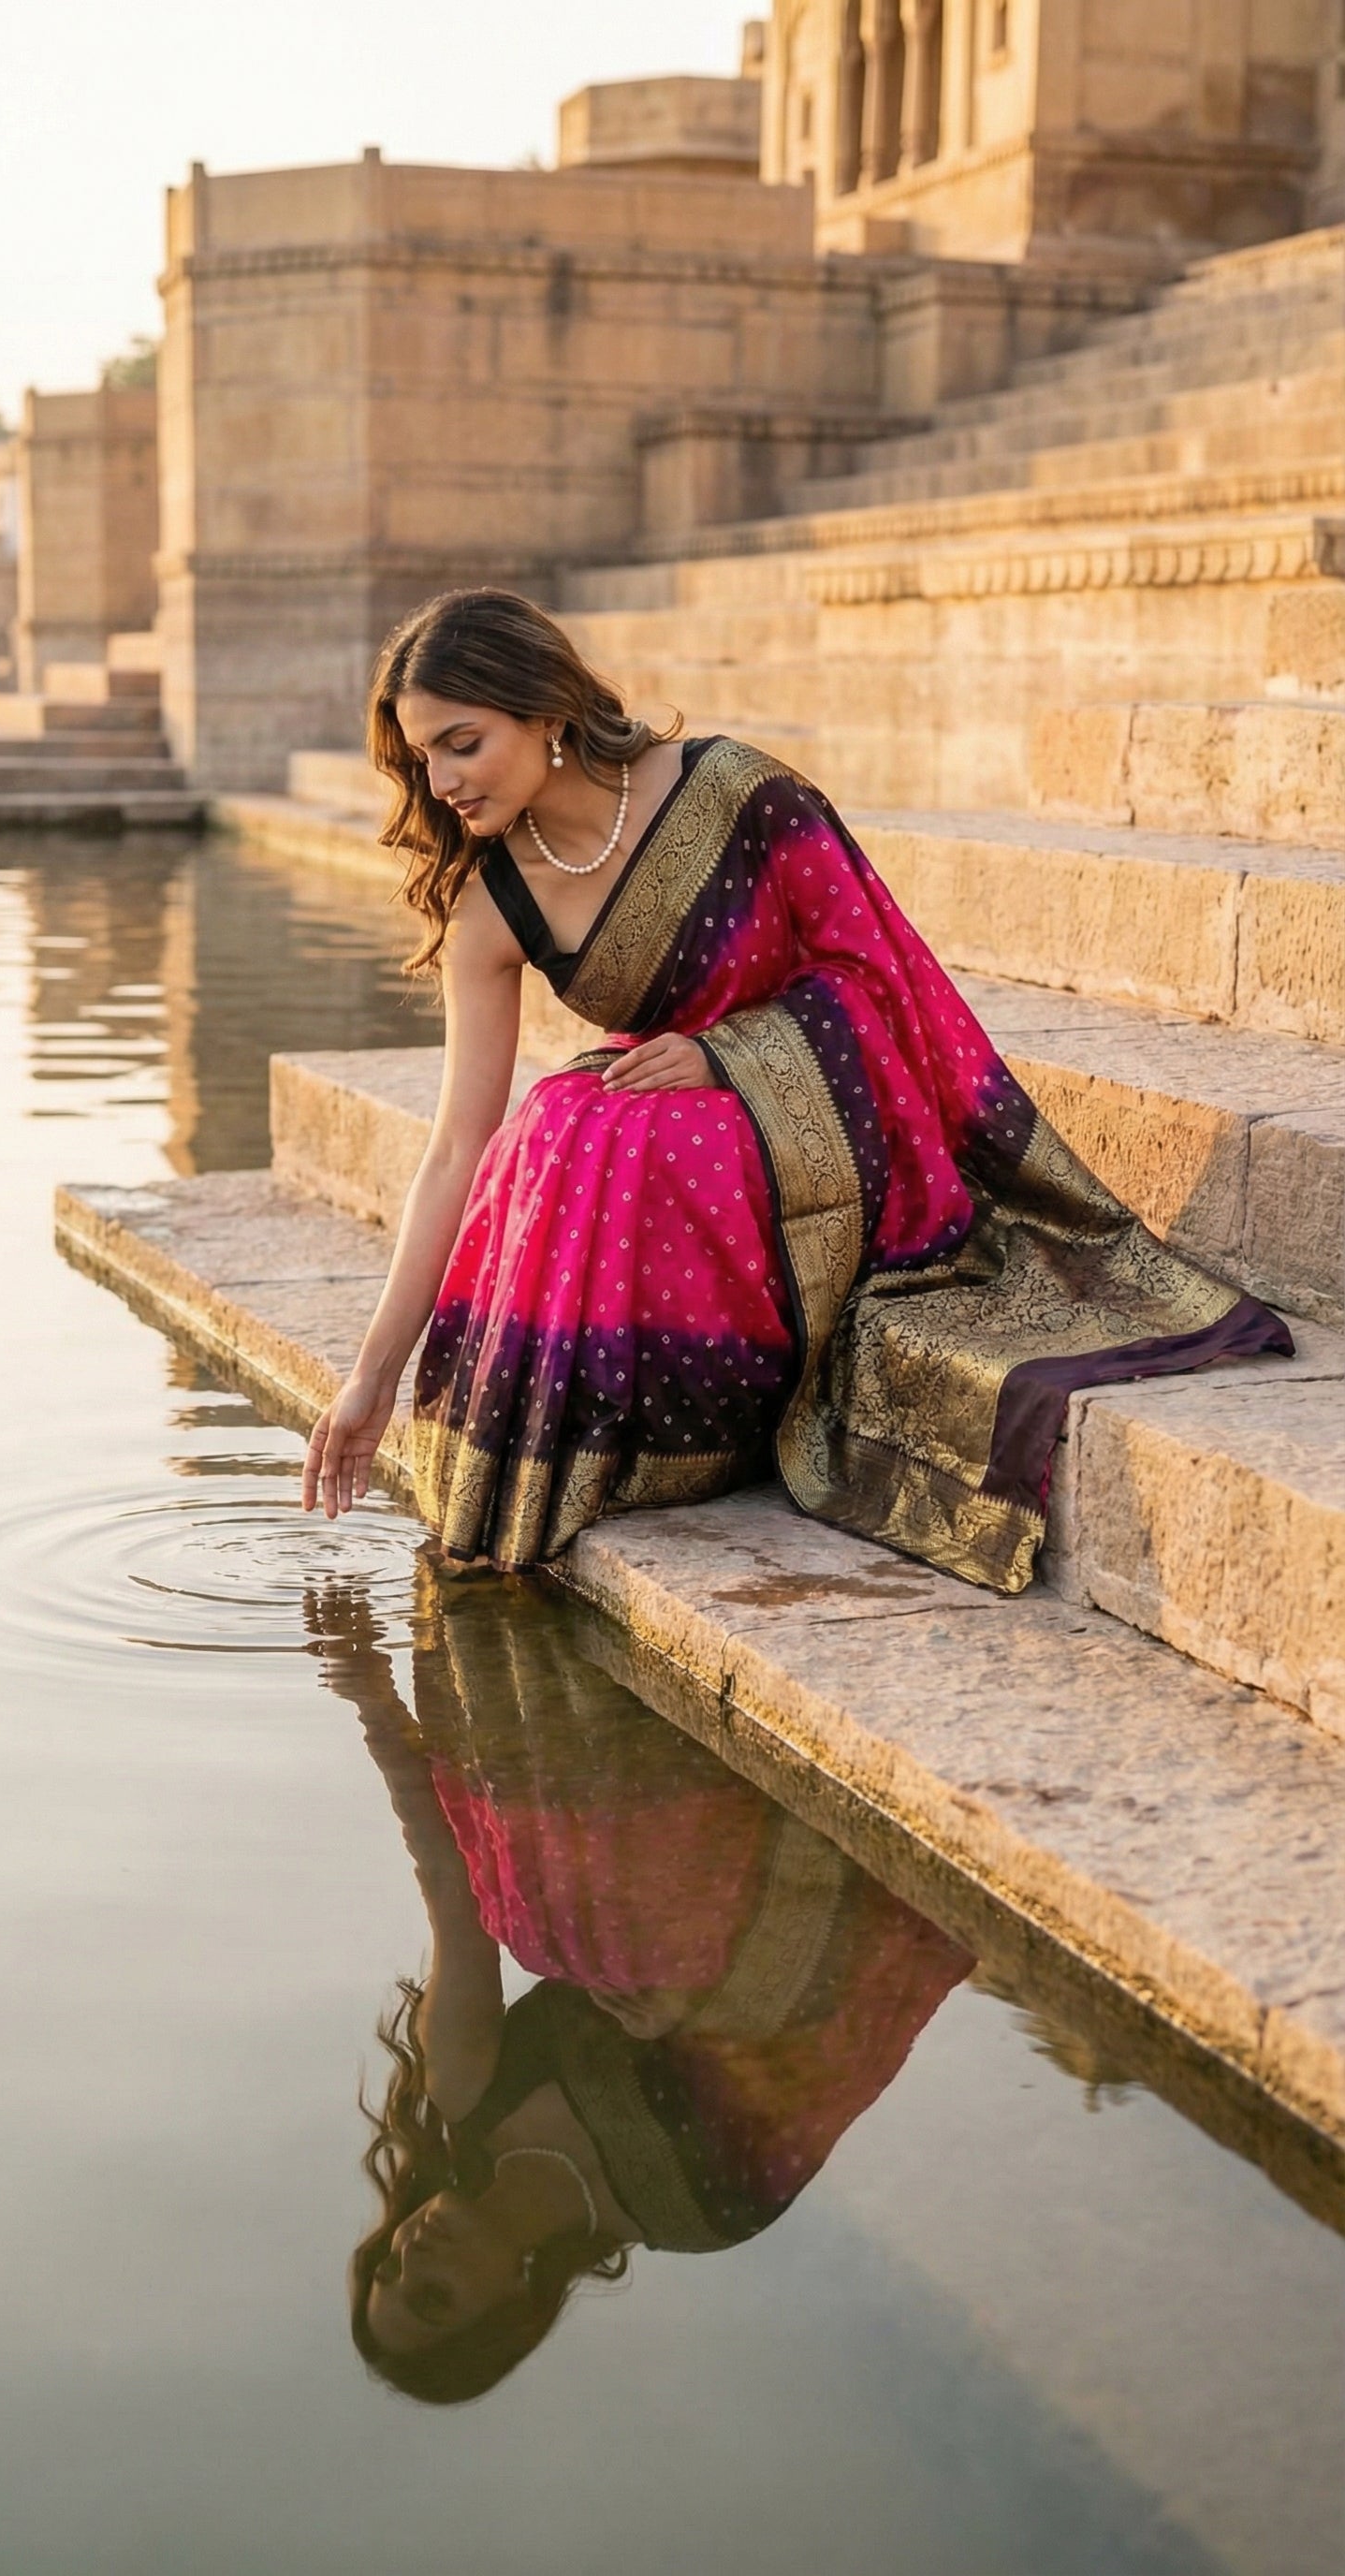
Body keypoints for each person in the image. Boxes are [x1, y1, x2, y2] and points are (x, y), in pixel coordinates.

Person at [301, 589, 1291, 1591]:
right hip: (684, 1140)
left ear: (544, 711)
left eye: (460, 743)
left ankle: (700, 1410)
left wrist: (729, 1054)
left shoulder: (736, 795)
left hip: (834, 1124)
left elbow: (883, 983)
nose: (441, 779)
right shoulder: (491, 899)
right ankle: (613, 1432)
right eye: (422, 757)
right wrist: (371, 1377)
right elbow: (455, 1148)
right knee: (562, 1118)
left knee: (623, 1136)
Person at [306, 1569, 972, 2405]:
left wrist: (368, 1694)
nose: (412, 2252)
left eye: (386, 2265)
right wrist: (704, 2010)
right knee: (609, 1941)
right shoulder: (702, 2210)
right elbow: (843, 2048)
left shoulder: (466, 2091)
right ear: (512, 2305)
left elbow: (448, 1877)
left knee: (545, 1919)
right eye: (432, 2296)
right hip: (826, 1923)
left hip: (677, 1831)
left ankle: (496, 1611)